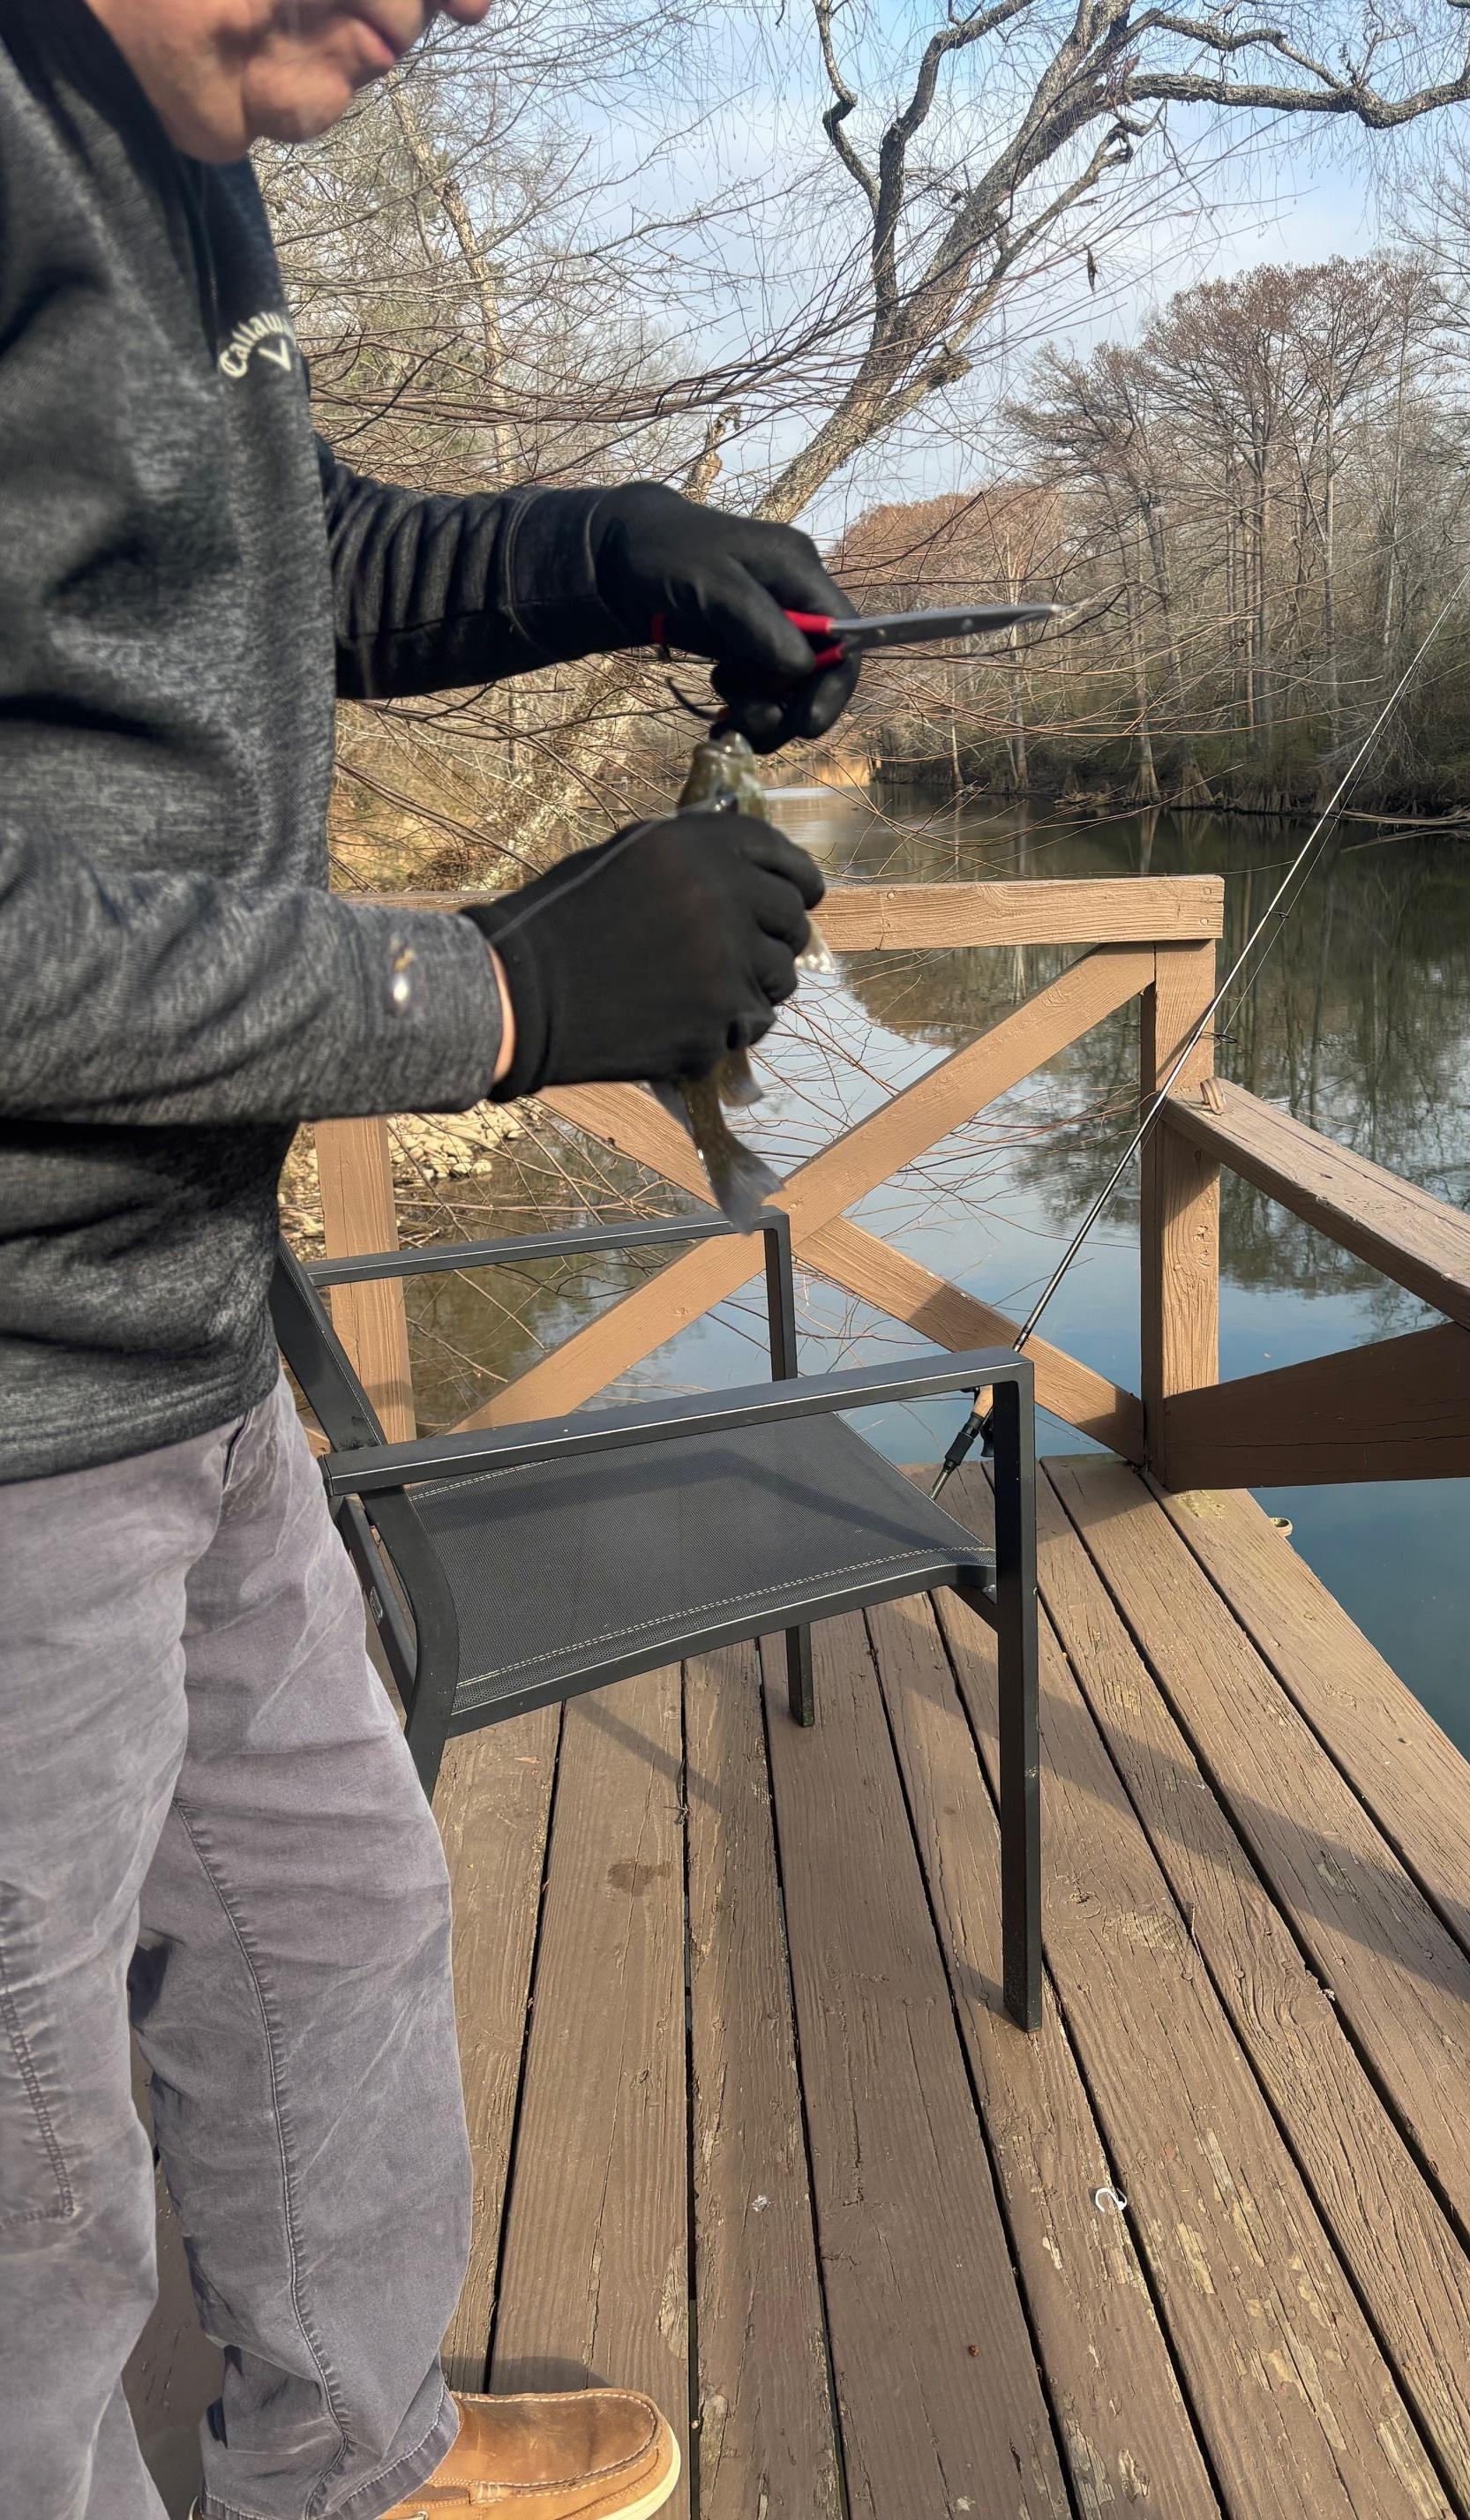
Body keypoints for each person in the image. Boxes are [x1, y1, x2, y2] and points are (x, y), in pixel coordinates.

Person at [0, 5, 859, 2516]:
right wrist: (485, 995)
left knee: (333, 1930)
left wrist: (609, 544)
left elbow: (263, 572)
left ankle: (349, 2470)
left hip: (177, 1325)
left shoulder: (163, 139)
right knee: (33, 2196)